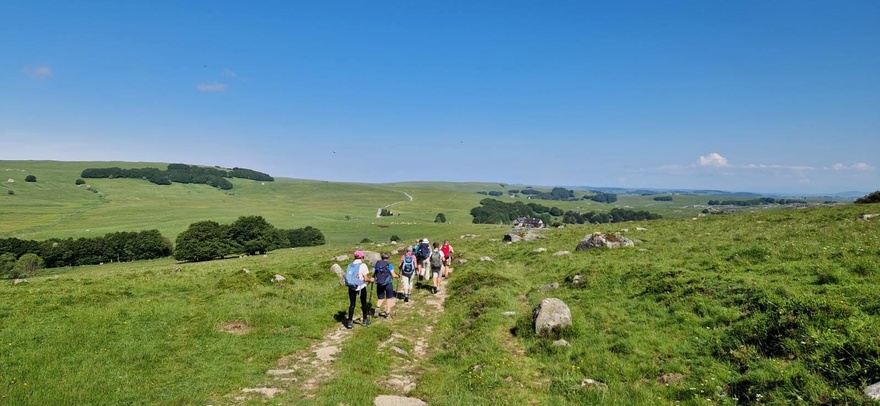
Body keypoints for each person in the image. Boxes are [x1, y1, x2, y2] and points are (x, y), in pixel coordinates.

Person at [344, 250, 373, 329]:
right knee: (363, 303)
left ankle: (350, 322)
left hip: (351, 287)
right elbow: (366, 278)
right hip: (361, 287)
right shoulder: (363, 265)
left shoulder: (350, 265)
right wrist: (371, 280)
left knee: (352, 304)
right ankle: (365, 320)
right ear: (362, 257)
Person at [373, 252, 397, 318]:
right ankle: (387, 314)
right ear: (388, 258)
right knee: (389, 298)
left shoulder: (377, 264)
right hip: (388, 284)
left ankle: (377, 308)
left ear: (382, 257)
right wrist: (397, 276)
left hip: (379, 284)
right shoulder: (389, 265)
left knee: (381, 298)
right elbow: (393, 275)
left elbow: (375, 273)